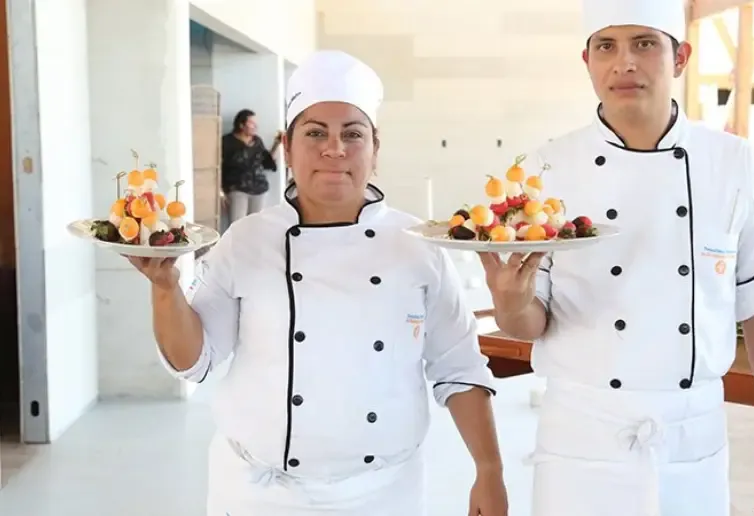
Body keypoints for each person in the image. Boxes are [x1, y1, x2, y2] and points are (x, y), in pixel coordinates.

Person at [129, 50, 508, 516]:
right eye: (315, 133)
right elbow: (196, 361)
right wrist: (165, 287)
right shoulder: (246, 241)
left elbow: (459, 366)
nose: (335, 149)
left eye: (353, 134)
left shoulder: (419, 245)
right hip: (261, 497)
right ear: (287, 149)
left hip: (384, 495)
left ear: (375, 149)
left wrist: (489, 470)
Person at [480, 0, 754, 515]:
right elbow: (529, 323)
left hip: (693, 440)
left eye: (645, 44)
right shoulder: (548, 169)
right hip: (581, 443)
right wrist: (509, 302)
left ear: (680, 57)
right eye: (606, 47)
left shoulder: (734, 164)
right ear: (587, 61)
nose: (624, 62)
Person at [221, 109, 281, 224]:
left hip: (259, 188)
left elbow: (265, 162)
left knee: (256, 224)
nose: (255, 126)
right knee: (237, 224)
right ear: (241, 125)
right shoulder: (227, 141)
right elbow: (220, 167)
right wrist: (221, 192)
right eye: (251, 123)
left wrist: (276, 144)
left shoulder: (257, 141)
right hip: (237, 189)